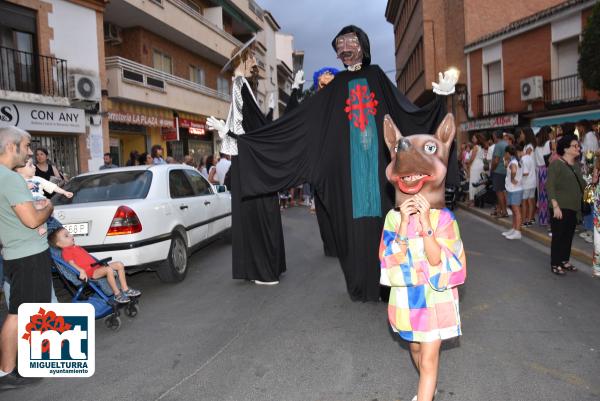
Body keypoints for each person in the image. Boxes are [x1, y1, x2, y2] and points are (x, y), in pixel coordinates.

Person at [232, 25, 458, 301]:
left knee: (387, 227)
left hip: (378, 175)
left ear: (362, 45)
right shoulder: (336, 88)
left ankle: (389, 286)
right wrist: (250, 138)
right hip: (348, 178)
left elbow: (407, 115)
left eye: (350, 42)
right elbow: (302, 123)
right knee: (353, 231)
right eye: (340, 45)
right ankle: (360, 285)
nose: (345, 49)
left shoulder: (377, 77)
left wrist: (440, 100)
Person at [380, 114, 466, 401]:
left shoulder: (445, 219)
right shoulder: (392, 220)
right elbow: (389, 260)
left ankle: (425, 394)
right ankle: (428, 386)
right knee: (416, 351)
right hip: (407, 299)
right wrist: (404, 224)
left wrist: (427, 226)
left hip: (435, 298)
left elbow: (439, 262)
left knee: (429, 359)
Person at [206, 40, 287, 285]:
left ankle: (263, 268)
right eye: (251, 57)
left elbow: (248, 127)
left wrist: (227, 131)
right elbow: (246, 130)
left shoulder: (242, 86)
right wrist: (226, 131)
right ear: (242, 61)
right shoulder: (240, 85)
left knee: (258, 212)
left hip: (248, 162)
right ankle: (262, 269)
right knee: (257, 212)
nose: (254, 61)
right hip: (249, 164)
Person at [0, 126, 54, 389]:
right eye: (27, 145)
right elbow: (32, 220)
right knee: (21, 313)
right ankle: (10, 370)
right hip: (27, 255)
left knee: (19, 311)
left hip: (13, 252)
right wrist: (48, 208)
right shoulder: (10, 178)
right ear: (12, 146)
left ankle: (12, 368)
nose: (31, 151)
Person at [49, 227, 141, 303]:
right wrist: (81, 271)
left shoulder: (76, 247)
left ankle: (125, 289)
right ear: (60, 244)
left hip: (96, 268)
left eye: (69, 233)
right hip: (89, 272)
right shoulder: (66, 251)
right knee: (108, 269)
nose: (71, 235)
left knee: (119, 264)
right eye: (66, 236)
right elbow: (70, 263)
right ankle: (117, 294)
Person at [546, 134, 585, 276]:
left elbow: (582, 186)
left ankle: (564, 260)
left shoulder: (576, 166)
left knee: (568, 236)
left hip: (574, 208)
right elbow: (549, 185)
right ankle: (555, 263)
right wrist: (555, 205)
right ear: (566, 148)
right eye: (575, 146)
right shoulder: (556, 164)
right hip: (560, 207)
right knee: (559, 236)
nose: (578, 148)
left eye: (578, 145)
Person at [15, 158, 72, 235]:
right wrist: (25, 187)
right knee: (39, 207)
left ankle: (51, 225)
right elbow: (15, 193)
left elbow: (52, 186)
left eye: (33, 165)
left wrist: (64, 192)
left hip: (41, 199)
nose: (34, 167)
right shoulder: (17, 181)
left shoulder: (38, 179)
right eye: (30, 165)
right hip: (30, 202)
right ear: (19, 169)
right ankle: (41, 227)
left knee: (48, 208)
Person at [502, 145, 523, 240]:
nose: (504, 155)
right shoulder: (515, 161)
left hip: (515, 189)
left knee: (516, 211)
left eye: (505, 153)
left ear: (507, 153)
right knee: (515, 211)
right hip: (513, 189)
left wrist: (512, 178)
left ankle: (517, 231)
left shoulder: (513, 162)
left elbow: (514, 171)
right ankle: (514, 228)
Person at [534, 126, 552, 227]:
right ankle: (549, 218)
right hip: (548, 169)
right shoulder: (548, 144)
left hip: (540, 171)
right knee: (550, 194)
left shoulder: (537, 147)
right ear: (547, 134)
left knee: (542, 196)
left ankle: (543, 218)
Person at [491, 130, 509, 218]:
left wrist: (492, 169)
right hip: (505, 171)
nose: (492, 137)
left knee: (499, 192)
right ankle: (500, 210)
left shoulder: (498, 145)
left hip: (498, 171)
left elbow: (496, 160)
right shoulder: (506, 143)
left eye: (493, 136)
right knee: (503, 191)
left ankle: (504, 211)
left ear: (496, 136)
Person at [520, 138, 537, 227]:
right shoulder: (530, 158)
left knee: (524, 202)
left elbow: (525, 173)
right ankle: (530, 219)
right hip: (533, 183)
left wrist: (518, 174)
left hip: (526, 184)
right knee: (530, 201)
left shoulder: (523, 159)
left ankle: (523, 221)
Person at [467, 133, 486, 205]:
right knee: (479, 181)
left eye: (474, 138)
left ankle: (472, 200)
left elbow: (472, 158)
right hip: (480, 165)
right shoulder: (481, 147)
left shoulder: (475, 147)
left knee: (473, 181)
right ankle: (478, 199)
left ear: (477, 139)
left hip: (475, 165)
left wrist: (468, 163)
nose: (472, 139)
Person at [591, 153, 600, 278]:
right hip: (598, 211)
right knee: (598, 242)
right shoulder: (596, 168)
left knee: (598, 241)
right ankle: (597, 267)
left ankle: (597, 267)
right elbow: (593, 184)